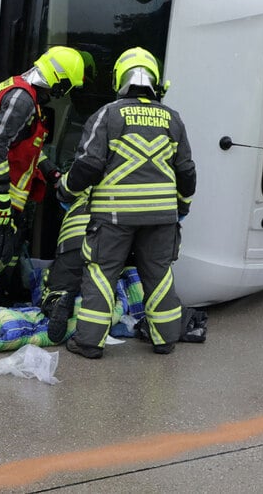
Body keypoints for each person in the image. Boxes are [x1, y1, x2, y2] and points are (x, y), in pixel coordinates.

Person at [57, 47, 196, 359]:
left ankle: (89, 343)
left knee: (101, 273)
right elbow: (186, 170)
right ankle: (165, 339)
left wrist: (65, 190)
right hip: (162, 216)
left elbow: (89, 165)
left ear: (120, 78)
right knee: (159, 274)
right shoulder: (173, 119)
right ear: (156, 80)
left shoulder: (107, 115)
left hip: (114, 216)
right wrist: (182, 207)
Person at [0, 46, 84, 308]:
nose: (64, 94)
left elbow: (27, 146)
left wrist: (50, 170)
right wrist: (0, 195)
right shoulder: (22, 98)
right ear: (59, 80)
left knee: (5, 249)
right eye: (67, 86)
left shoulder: (27, 96)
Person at [39, 188, 90, 343]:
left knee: (58, 283)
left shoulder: (83, 175)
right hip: (105, 238)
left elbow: (64, 189)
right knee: (100, 284)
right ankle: (91, 312)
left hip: (72, 236)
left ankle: (57, 301)